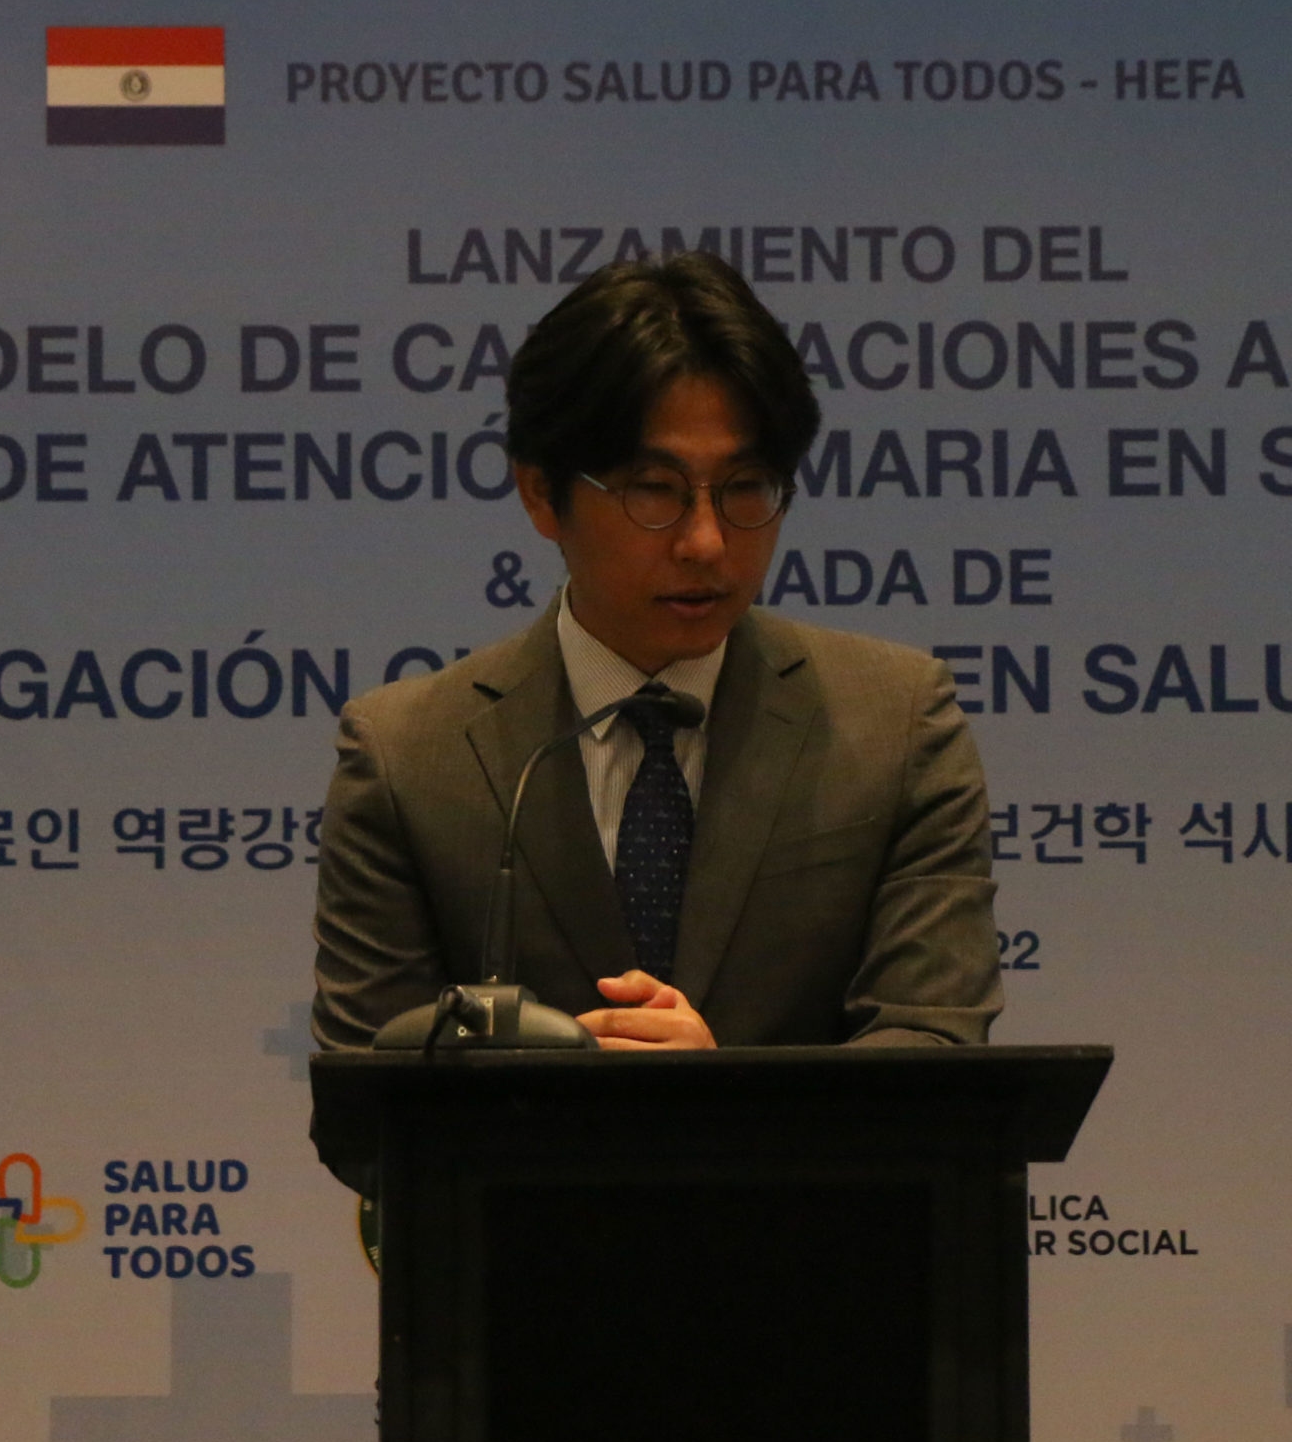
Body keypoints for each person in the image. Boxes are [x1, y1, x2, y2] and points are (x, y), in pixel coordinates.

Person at [312, 251, 1000, 1051]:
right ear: (541, 492)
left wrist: (720, 1099)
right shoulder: (408, 761)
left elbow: (936, 1054)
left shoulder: (897, 725)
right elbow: (366, 1095)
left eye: (746, 487)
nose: (706, 542)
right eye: (654, 490)